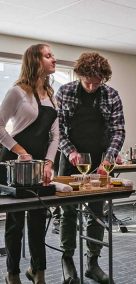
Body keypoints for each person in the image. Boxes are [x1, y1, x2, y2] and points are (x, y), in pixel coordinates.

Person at [57, 52, 125, 284]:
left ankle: (92, 263)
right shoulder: (64, 92)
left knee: (97, 213)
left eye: (97, 82)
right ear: (80, 75)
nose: (92, 86)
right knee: (68, 213)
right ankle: (68, 261)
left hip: (101, 162)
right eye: (88, 81)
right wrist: (71, 152)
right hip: (71, 161)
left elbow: (118, 131)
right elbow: (58, 131)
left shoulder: (111, 95)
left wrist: (108, 160)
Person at [0, 44, 58, 284]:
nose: (54, 59)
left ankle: (38, 272)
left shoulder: (51, 95)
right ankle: (12, 273)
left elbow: (56, 136)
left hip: (38, 167)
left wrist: (49, 162)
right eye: (48, 55)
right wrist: (20, 151)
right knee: (15, 224)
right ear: (35, 60)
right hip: (14, 164)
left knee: (38, 220)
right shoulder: (17, 92)